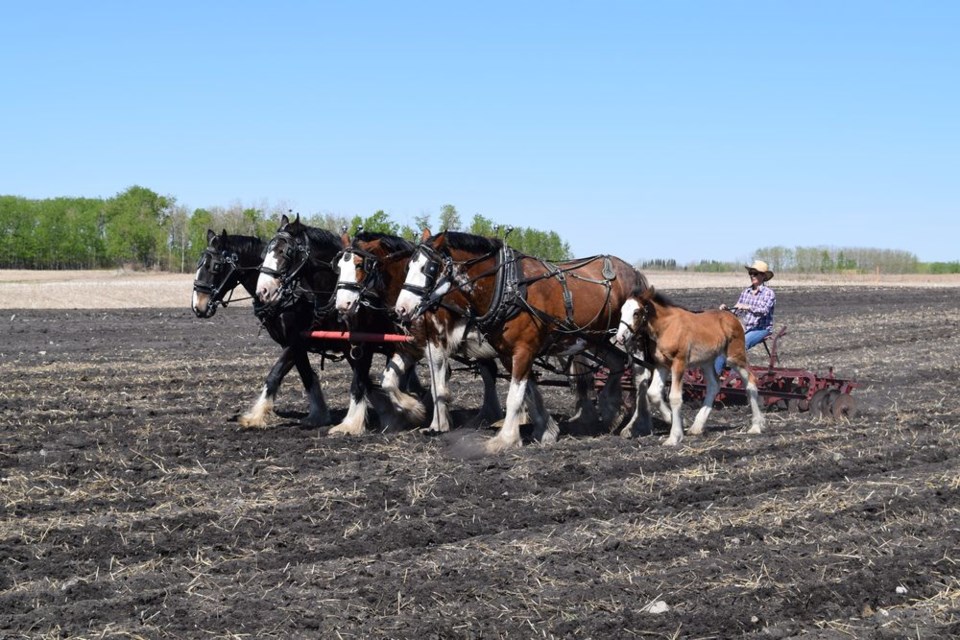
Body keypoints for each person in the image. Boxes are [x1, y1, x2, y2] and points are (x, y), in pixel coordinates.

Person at [715, 259, 776, 375]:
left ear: (763, 276)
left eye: (755, 273)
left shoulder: (768, 293)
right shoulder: (746, 292)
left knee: (739, 346)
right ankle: (714, 377)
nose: (752, 276)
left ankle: (735, 378)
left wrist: (747, 307)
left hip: (761, 328)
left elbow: (763, 311)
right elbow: (737, 311)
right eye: (750, 273)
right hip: (746, 328)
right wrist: (727, 310)